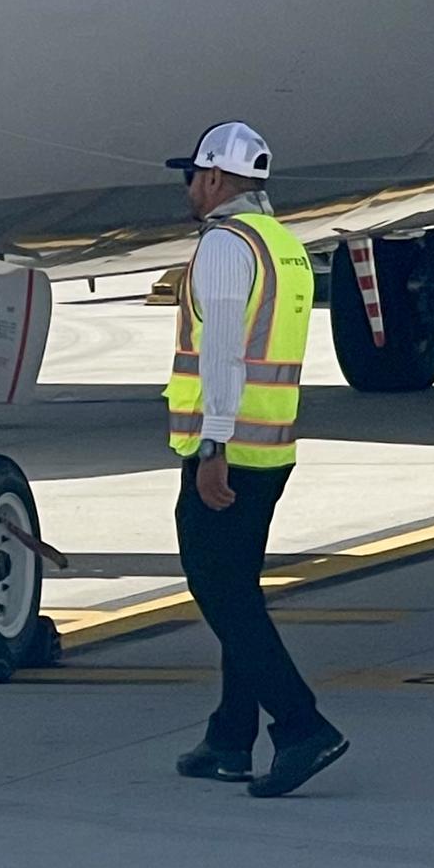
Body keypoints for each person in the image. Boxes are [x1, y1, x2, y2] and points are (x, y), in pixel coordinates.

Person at [163, 121, 350, 800]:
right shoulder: (283, 245)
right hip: (271, 447)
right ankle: (229, 739)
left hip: (229, 451)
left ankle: (303, 726)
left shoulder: (222, 245)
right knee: (236, 587)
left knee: (221, 593)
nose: (187, 187)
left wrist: (211, 446)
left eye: (192, 174)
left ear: (214, 179)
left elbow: (221, 354)